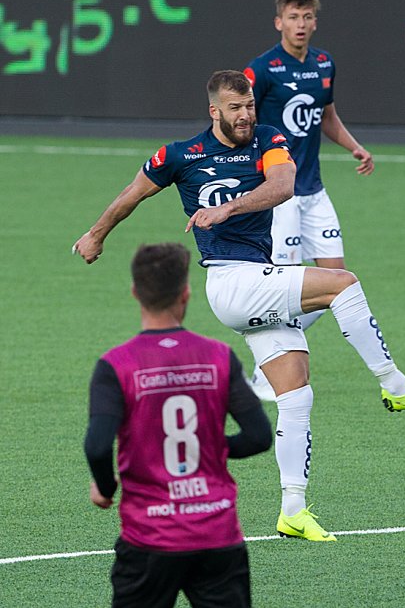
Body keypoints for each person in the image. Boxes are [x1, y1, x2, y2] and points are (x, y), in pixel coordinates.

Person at [73, 70, 405, 543]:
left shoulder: (268, 139)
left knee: (296, 395)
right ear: (215, 111)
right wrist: (96, 234)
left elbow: (283, 186)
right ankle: (394, 385)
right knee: (342, 283)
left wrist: (227, 208)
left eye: (249, 105)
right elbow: (132, 195)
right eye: (235, 108)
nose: (246, 115)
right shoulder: (180, 155)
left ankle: (292, 509)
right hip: (232, 282)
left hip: (256, 279)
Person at [84, 243, 272, 607]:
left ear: (135, 292)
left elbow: (96, 445)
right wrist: (212, 448)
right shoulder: (219, 356)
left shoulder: (115, 365)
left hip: (148, 540)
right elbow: (259, 436)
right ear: (186, 294)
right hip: (217, 536)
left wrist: (105, 488)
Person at [243, 0, 375, 400]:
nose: (300, 25)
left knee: (336, 283)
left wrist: (353, 144)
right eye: (292, 17)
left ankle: (268, 346)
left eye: (306, 18)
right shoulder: (261, 70)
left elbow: (326, 118)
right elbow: (239, 121)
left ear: (314, 22)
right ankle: (267, 371)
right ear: (278, 22)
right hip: (279, 194)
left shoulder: (323, 64)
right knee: (288, 285)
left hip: (314, 190)